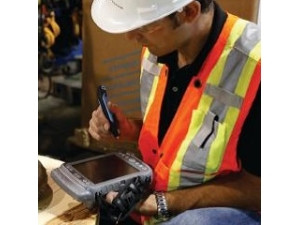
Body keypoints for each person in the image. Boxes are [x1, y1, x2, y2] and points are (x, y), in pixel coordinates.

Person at [88, 0, 261, 224]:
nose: (131, 38)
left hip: (231, 210)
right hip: (158, 195)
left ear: (189, 11)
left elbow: (259, 188)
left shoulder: (257, 67)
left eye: (145, 26)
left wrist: (164, 202)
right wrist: (132, 130)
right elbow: (182, 132)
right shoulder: (159, 47)